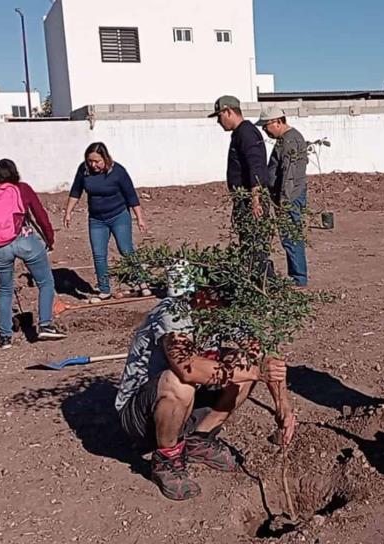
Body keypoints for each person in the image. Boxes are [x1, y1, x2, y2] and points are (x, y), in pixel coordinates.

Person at [116, 277, 296, 501]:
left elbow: (264, 355)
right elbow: (187, 368)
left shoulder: (225, 311)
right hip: (141, 416)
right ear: (202, 292)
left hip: (189, 403)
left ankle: (198, 438)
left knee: (242, 362)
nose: (227, 306)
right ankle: (167, 459)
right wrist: (256, 373)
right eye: (222, 298)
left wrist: (283, 407)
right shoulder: (173, 312)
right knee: (179, 382)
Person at [0, 158, 67, 349]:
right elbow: (40, 214)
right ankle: (45, 325)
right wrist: (49, 238)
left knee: (4, 290)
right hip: (25, 241)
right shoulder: (22, 188)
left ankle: (5, 336)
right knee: (45, 282)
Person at [63, 142, 149, 301]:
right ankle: (104, 289)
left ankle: (142, 282)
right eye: (90, 161)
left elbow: (131, 195)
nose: (93, 165)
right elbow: (76, 191)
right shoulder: (84, 170)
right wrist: (68, 212)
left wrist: (140, 218)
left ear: (105, 158)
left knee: (126, 249)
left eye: (97, 161)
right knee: (99, 254)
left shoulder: (118, 172)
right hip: (96, 220)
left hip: (119, 215)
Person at [209, 96, 276, 277]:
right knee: (249, 244)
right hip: (245, 199)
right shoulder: (240, 133)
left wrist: (256, 200)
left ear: (228, 111)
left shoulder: (246, 133)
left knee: (255, 244)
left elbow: (256, 167)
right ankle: (256, 283)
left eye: (219, 115)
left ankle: (264, 286)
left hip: (251, 200)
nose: (218, 121)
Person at [258, 106, 310, 287]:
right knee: (290, 237)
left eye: (266, 125)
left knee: (291, 237)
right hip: (288, 196)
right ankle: (296, 276)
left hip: (290, 197)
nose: (264, 129)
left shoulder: (290, 141)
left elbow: (289, 175)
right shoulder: (284, 139)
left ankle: (298, 278)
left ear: (278, 121)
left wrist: (283, 202)